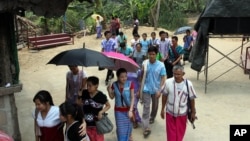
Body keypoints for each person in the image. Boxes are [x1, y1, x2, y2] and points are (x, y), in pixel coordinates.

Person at [161, 65, 197, 141]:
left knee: (180, 135)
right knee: (171, 136)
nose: (176, 76)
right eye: (174, 74)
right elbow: (164, 96)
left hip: (182, 114)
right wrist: (162, 109)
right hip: (170, 113)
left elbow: (192, 99)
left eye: (178, 74)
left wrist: (193, 112)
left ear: (183, 74)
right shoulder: (168, 82)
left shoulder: (188, 84)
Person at [140, 47, 166, 138]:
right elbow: (142, 75)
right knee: (146, 107)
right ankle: (146, 127)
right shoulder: (145, 63)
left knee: (155, 106)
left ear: (156, 54)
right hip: (146, 89)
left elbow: (163, 77)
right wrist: (140, 88)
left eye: (153, 54)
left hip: (156, 89)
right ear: (148, 54)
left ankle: (152, 117)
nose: (151, 56)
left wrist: (160, 90)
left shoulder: (161, 65)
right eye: (150, 54)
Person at [77, 76, 111, 141]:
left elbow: (108, 105)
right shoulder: (84, 92)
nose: (88, 87)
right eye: (87, 85)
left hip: (97, 125)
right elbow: (78, 103)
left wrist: (101, 112)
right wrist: (79, 95)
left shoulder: (101, 96)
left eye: (90, 86)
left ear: (96, 86)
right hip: (86, 124)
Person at [107, 68, 134, 141]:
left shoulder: (130, 84)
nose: (124, 78)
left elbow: (132, 97)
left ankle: (128, 137)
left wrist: (131, 110)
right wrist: (109, 90)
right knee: (120, 129)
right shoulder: (114, 85)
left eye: (125, 76)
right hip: (118, 111)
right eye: (122, 77)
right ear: (118, 77)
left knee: (129, 127)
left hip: (128, 110)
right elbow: (112, 97)